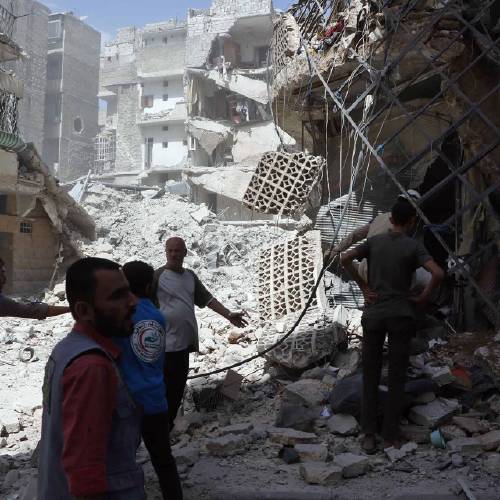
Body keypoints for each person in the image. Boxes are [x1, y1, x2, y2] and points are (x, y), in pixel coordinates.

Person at [340, 198, 444, 453]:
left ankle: (368, 435)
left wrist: (364, 287)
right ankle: (390, 436)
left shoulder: (374, 242)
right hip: (401, 316)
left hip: (374, 315)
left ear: (390, 219)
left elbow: (345, 258)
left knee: (371, 375)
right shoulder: (412, 245)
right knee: (396, 377)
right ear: (411, 221)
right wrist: (423, 296)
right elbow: (438, 273)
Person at [38, 257, 145, 500]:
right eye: (118, 296)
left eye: (129, 292)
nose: (133, 302)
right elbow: (85, 470)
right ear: (84, 311)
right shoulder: (91, 367)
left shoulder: (66, 349)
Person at [153, 236, 248, 428]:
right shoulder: (157, 276)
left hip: (184, 343)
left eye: (177, 250)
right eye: (169, 250)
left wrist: (228, 314)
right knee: (163, 389)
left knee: (177, 388)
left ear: (185, 252)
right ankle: (158, 429)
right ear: (165, 252)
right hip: (165, 345)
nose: (173, 254)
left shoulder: (190, 276)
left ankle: (167, 426)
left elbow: (207, 299)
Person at [116, 261, 183, 500]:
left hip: (128, 403)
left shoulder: (120, 315)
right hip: (155, 399)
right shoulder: (157, 316)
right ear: (149, 285)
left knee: (121, 462)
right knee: (163, 460)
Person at [0, 258, 70, 318]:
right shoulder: (2, 302)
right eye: (2, 273)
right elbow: (32, 311)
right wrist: (71, 309)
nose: (4, 278)